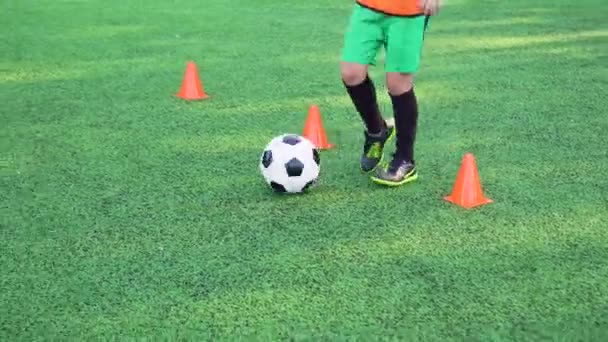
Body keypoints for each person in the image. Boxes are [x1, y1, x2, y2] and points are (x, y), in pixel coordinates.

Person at [340, 0, 442, 186]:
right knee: (351, 73)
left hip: (410, 12)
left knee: (398, 84)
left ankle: (405, 159)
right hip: (368, 7)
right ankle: (377, 131)